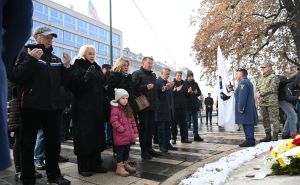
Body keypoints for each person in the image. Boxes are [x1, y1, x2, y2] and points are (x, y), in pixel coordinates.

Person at [12, 26, 71, 185]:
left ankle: (54, 175)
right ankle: (28, 177)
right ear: (37, 37)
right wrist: (31, 59)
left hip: (52, 107)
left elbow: (63, 84)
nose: (49, 40)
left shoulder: (55, 58)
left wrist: (66, 68)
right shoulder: (25, 53)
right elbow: (17, 76)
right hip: (31, 106)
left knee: (53, 143)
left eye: (51, 37)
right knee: (27, 143)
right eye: (46, 37)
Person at [0, 0, 32, 172]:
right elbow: (22, 22)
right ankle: (21, 170)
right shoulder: (25, 55)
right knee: (22, 139)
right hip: (19, 104)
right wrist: (3, 64)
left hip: (28, 104)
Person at [68, 45, 107, 177]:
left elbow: (102, 86)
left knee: (96, 136)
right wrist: (86, 77)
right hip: (82, 109)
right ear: (83, 54)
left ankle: (95, 164)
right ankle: (83, 166)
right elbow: (75, 87)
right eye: (89, 53)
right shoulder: (77, 66)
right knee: (84, 138)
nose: (92, 55)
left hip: (96, 109)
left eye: (93, 53)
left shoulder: (96, 67)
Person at [132, 57, 161, 160]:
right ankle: (144, 151)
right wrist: (145, 87)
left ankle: (149, 149)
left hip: (153, 105)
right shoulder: (137, 73)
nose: (150, 65)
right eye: (149, 63)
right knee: (143, 129)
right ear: (143, 63)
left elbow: (156, 89)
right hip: (143, 105)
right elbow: (133, 88)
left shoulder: (153, 75)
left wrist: (162, 89)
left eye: (151, 63)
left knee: (150, 128)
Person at [110, 88, 138, 177]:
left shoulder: (128, 109)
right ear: (118, 99)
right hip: (121, 135)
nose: (125, 100)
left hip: (128, 136)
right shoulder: (115, 109)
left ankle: (125, 164)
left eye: (126, 98)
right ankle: (119, 167)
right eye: (123, 98)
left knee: (127, 150)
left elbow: (133, 120)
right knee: (120, 152)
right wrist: (122, 129)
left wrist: (135, 130)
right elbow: (114, 121)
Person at [256, 62, 280, 141]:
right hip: (262, 102)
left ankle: (275, 136)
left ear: (269, 67)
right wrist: (258, 94)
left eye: (264, 67)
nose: (262, 69)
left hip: (271, 101)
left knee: (274, 119)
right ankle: (268, 135)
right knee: (264, 119)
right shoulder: (261, 78)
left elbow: (273, 88)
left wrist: (261, 94)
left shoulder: (274, 77)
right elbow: (257, 88)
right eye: (262, 68)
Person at [235, 68, 258, 147]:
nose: (236, 76)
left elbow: (242, 97)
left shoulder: (243, 82)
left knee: (247, 124)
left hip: (246, 108)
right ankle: (250, 139)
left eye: (237, 74)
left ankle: (250, 141)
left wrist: (240, 108)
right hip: (248, 107)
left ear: (241, 74)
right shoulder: (246, 82)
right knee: (248, 123)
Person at [156, 68, 177, 152]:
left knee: (168, 128)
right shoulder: (158, 82)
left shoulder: (168, 83)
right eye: (166, 74)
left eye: (168, 74)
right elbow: (157, 94)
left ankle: (167, 143)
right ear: (162, 73)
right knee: (161, 128)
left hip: (168, 109)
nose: (167, 75)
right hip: (160, 109)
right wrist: (164, 88)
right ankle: (161, 145)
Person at [183, 70, 203, 141]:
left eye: (192, 76)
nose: (191, 78)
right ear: (187, 76)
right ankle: (185, 137)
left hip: (195, 105)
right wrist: (188, 92)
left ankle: (196, 135)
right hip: (187, 106)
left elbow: (199, 92)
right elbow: (183, 94)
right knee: (186, 122)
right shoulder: (184, 84)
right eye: (189, 76)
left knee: (195, 121)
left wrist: (195, 92)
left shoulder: (195, 84)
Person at [172, 71, 192, 144]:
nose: (179, 77)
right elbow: (170, 94)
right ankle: (173, 138)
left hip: (183, 107)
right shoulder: (172, 83)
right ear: (175, 76)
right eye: (178, 75)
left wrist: (189, 92)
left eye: (180, 76)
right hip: (175, 107)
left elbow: (187, 96)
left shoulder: (185, 84)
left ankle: (184, 138)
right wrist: (175, 90)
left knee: (184, 124)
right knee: (174, 124)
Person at [102, 64, 113, 147]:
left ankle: (107, 140)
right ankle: (107, 140)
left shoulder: (105, 76)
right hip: (107, 103)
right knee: (107, 123)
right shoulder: (106, 76)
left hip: (105, 103)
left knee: (107, 123)